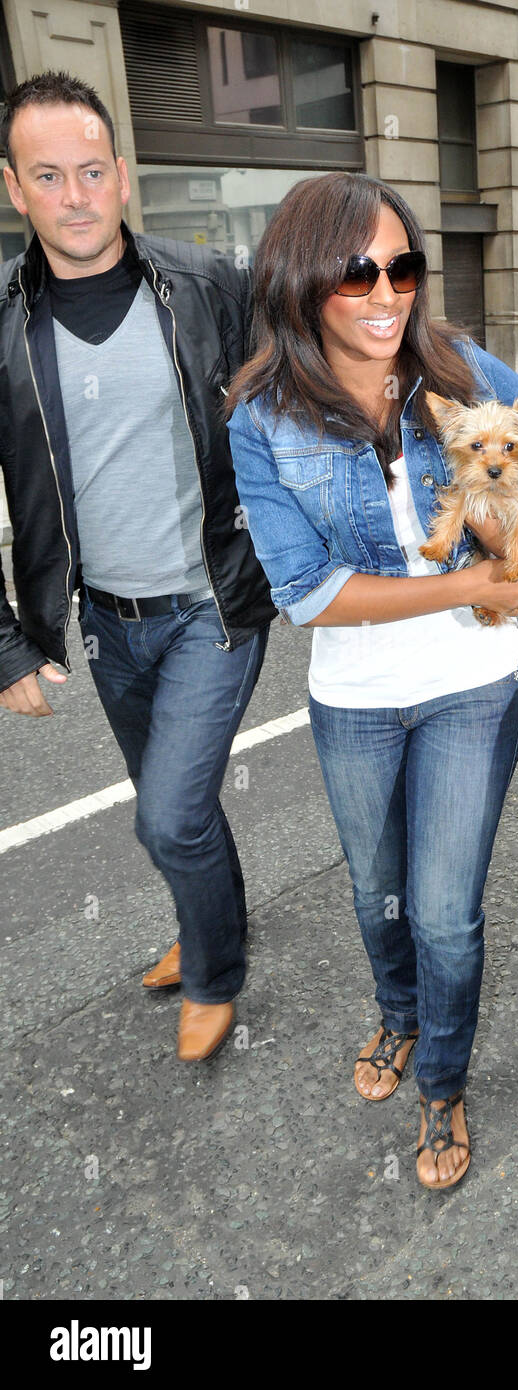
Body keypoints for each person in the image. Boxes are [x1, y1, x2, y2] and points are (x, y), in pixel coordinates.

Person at [227, 171, 518, 1189]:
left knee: (444, 912)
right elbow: (308, 592)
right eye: (356, 271)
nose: (387, 293)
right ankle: (395, 1010)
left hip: (474, 683)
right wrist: (467, 577)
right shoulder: (260, 417)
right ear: (303, 281)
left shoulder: (460, 366)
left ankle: (441, 1078)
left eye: (402, 267)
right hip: (355, 699)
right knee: (377, 894)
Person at [0, 72, 276, 1060]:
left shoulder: (206, 282)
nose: (73, 195)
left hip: (215, 603)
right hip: (106, 624)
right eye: (47, 175)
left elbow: (285, 409)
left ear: (121, 177)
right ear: (13, 186)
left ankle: (215, 971)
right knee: (177, 809)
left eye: (89, 171)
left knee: (167, 813)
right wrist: (6, 645)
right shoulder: (6, 326)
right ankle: (217, 925)